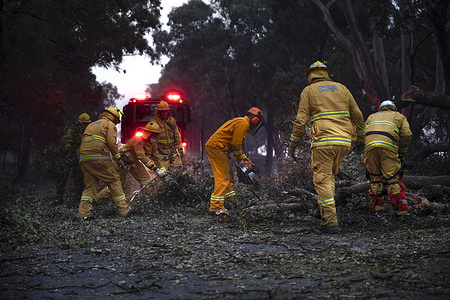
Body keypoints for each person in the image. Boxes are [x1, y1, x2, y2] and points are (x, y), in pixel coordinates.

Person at [289, 61, 365, 234]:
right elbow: (358, 115)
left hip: (323, 143)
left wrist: (293, 145)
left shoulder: (309, 91)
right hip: (344, 142)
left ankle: (330, 223)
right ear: (326, 73)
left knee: (322, 181)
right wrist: (361, 137)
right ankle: (325, 216)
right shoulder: (342, 89)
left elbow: (301, 121)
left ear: (310, 75)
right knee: (329, 178)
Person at [205, 107, 264, 215]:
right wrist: (242, 160)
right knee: (223, 177)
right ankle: (216, 208)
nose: (256, 124)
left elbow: (236, 145)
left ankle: (231, 201)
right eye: (257, 122)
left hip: (220, 149)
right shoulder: (244, 123)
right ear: (255, 119)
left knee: (228, 175)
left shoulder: (242, 123)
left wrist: (245, 160)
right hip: (217, 148)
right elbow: (236, 144)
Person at [77, 107, 131, 219]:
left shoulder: (91, 125)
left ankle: (83, 215)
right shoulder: (109, 124)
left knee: (90, 186)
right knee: (114, 180)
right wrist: (118, 160)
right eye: (117, 121)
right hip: (98, 156)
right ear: (114, 118)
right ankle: (124, 210)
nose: (116, 123)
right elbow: (112, 143)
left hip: (84, 158)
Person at [95, 121, 166, 203]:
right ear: (148, 133)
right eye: (154, 134)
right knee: (118, 185)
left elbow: (156, 158)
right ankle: (97, 200)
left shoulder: (152, 145)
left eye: (156, 135)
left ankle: (148, 200)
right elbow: (141, 156)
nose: (155, 137)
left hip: (134, 163)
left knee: (146, 180)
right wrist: (155, 169)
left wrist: (162, 169)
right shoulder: (138, 140)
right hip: (121, 163)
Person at [364, 100, 412, 219]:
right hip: (388, 148)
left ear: (381, 109)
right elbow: (407, 134)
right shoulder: (399, 116)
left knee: (375, 179)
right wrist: (402, 152)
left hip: (369, 148)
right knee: (393, 180)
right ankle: (401, 213)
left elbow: (363, 133)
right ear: (393, 108)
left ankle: (377, 211)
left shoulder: (372, 117)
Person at [55, 113, 91, 205]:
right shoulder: (73, 131)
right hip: (68, 158)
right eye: (84, 124)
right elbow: (66, 139)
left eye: (86, 124)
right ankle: (58, 199)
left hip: (77, 159)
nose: (85, 126)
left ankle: (77, 200)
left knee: (79, 180)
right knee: (62, 179)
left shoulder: (87, 133)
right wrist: (69, 150)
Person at [151, 100, 184, 170]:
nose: (164, 113)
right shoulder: (154, 123)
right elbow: (151, 140)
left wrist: (180, 148)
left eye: (166, 111)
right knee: (162, 174)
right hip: (161, 154)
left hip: (172, 152)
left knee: (179, 170)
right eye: (162, 111)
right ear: (159, 112)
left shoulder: (172, 121)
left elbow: (176, 135)